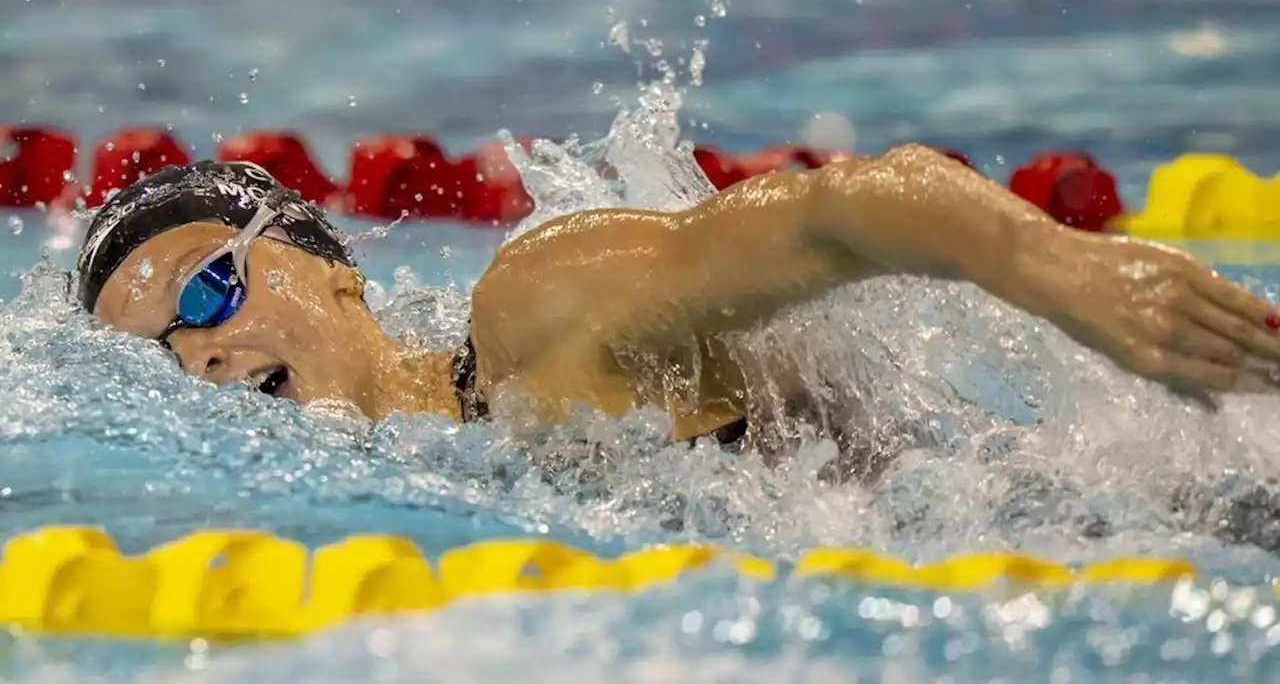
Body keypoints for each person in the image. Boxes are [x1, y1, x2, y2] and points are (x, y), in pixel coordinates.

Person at [76, 148, 1280, 455]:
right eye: (165, 356)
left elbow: (841, 208)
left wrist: (1057, 270)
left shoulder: (535, 316)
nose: (207, 358)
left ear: (335, 269)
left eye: (212, 287)